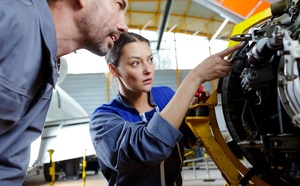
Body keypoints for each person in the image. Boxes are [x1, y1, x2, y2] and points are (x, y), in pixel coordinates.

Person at [0, 0, 128, 184]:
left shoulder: (46, 73)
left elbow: (6, 165)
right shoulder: (10, 17)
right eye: (119, 5)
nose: (124, 26)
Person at [89, 32, 242, 185]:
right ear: (114, 70)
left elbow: (186, 139)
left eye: (150, 60)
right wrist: (194, 78)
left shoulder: (167, 95)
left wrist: (194, 115)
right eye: (135, 63)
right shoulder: (103, 120)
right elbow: (147, 148)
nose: (148, 69)